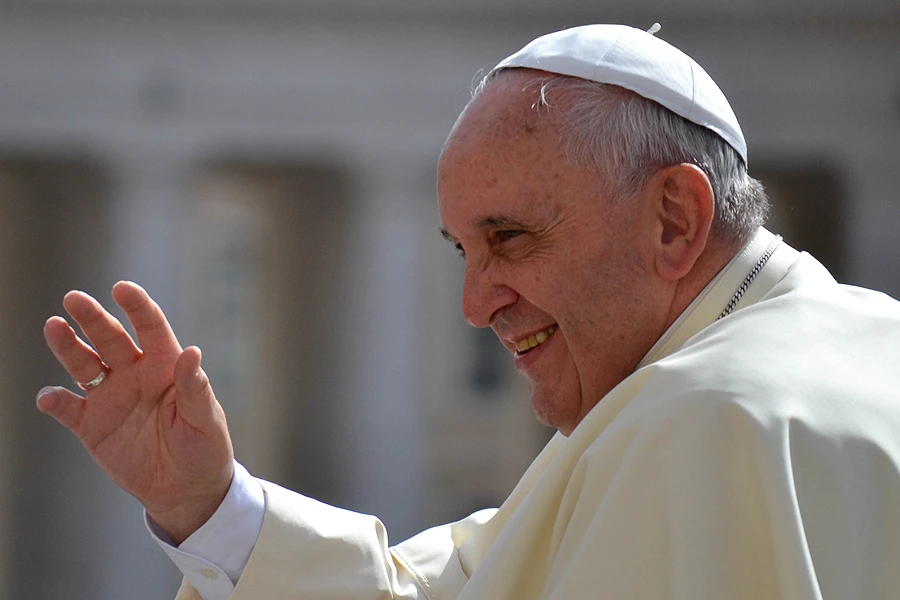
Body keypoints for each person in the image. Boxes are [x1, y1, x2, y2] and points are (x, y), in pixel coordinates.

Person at [37, 23, 900, 600]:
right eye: (463, 250)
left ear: (673, 220)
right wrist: (208, 503)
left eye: (512, 238)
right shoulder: (860, 344)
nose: (474, 302)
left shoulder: (703, 423)